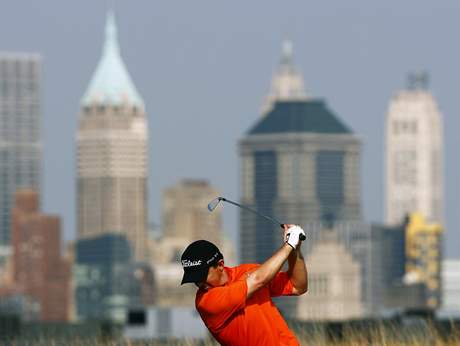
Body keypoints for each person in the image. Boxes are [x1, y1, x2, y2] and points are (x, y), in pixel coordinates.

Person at [180, 224, 308, 345]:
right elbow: (258, 280)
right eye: (195, 279)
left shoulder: (249, 271)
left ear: (220, 265)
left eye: (202, 276)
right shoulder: (206, 302)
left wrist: (295, 250)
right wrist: (289, 244)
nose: (199, 283)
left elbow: (298, 286)